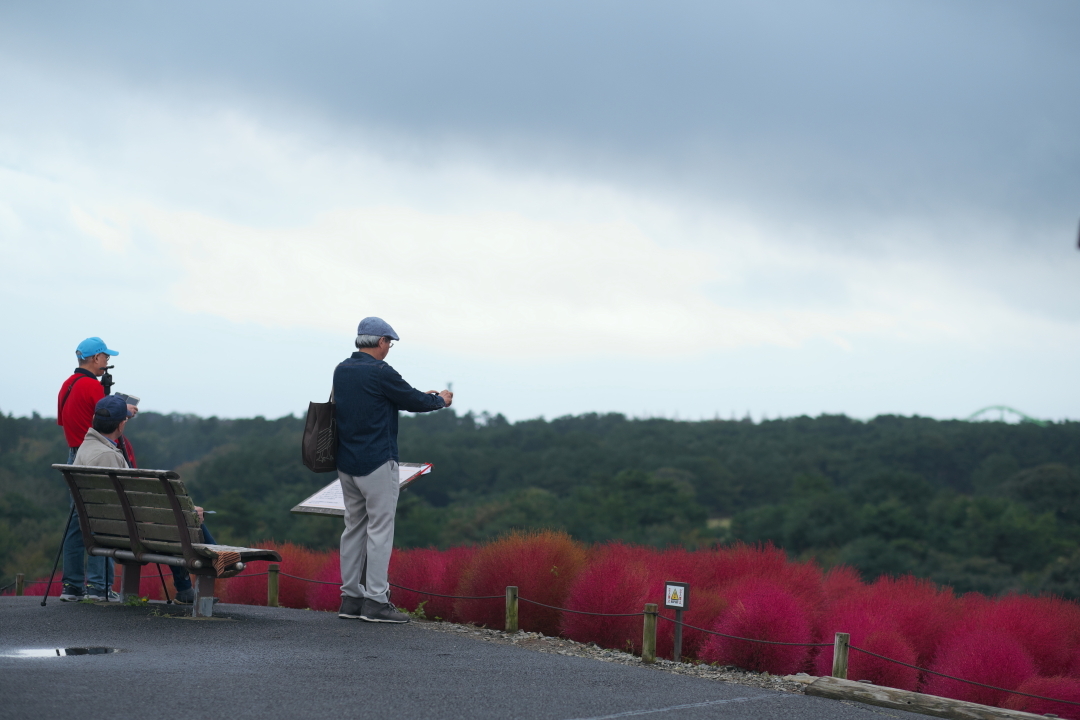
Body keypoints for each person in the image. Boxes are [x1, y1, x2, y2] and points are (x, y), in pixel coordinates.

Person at [334, 317, 452, 623]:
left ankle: (350, 599)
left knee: (353, 529)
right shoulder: (380, 371)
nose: (389, 349)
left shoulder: (342, 370)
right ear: (382, 341)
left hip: (346, 463)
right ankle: (375, 602)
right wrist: (439, 400)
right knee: (380, 531)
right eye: (390, 343)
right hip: (377, 462)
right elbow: (413, 400)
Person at [73, 395, 217, 604]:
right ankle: (217, 559)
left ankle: (185, 589)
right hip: (124, 532)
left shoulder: (86, 448)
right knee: (187, 519)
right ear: (121, 424)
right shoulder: (107, 456)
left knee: (177, 521)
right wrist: (186, 512)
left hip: (107, 528)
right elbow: (129, 505)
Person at [57, 337, 123, 601]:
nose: (107, 362)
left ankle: (72, 586)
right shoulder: (92, 387)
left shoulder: (67, 385)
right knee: (100, 518)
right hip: (96, 453)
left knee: (77, 521)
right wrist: (124, 410)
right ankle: (99, 586)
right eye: (105, 357)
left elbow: (63, 421)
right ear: (95, 358)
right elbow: (104, 423)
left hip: (74, 454)